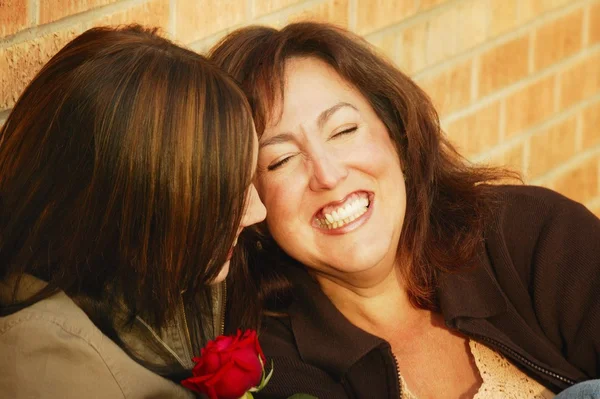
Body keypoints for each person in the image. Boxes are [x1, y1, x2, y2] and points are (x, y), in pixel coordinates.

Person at [210, 22, 600, 399]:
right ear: (249, 201)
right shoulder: (271, 365)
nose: (328, 175)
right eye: (282, 160)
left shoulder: (531, 232)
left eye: (344, 131)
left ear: (395, 131)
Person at [0, 25, 266, 398]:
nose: (258, 211)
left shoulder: (164, 280)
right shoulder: (45, 366)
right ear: (140, 201)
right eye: (226, 196)